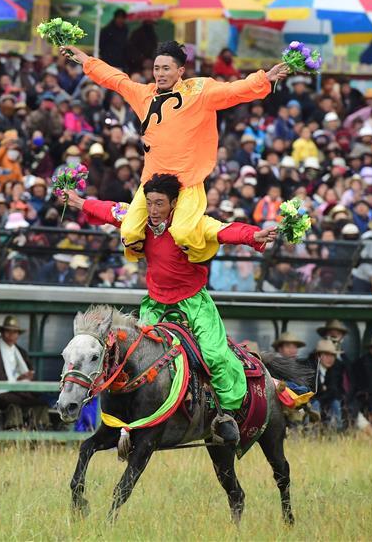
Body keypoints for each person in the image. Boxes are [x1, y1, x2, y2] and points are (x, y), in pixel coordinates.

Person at [61, 173, 277, 444]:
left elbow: (223, 230)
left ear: (174, 203)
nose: (153, 210)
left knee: (215, 356)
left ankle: (226, 416)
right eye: (149, 202)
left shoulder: (193, 225)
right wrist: (78, 201)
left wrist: (254, 235)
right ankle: (132, 424)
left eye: (159, 204)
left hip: (194, 304)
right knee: (136, 358)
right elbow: (109, 210)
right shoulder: (138, 221)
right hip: (155, 305)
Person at [62, 41, 288, 264]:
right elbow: (115, 80)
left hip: (187, 181)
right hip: (152, 182)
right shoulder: (144, 95)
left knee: (182, 232)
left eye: (166, 68)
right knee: (129, 233)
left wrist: (264, 78)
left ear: (180, 71)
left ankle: (195, 254)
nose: (159, 74)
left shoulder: (199, 92)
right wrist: (84, 58)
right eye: (156, 68)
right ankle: (153, 250)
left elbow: (232, 91)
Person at [0, 316, 49, 430]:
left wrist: (25, 378)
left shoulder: (21, 352)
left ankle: (41, 435)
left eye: (15, 332)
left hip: (20, 392)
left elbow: (28, 374)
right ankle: (13, 434)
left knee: (41, 404)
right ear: (2, 332)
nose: (11, 335)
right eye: (8, 331)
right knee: (13, 405)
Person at [305, 338, 346, 431]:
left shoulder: (335, 369)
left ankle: (336, 431)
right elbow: (311, 392)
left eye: (333, 356)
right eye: (326, 355)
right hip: (311, 402)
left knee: (335, 402)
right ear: (318, 356)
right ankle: (312, 432)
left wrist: (324, 391)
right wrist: (324, 390)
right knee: (315, 404)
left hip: (328, 401)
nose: (330, 359)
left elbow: (335, 391)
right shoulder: (310, 368)